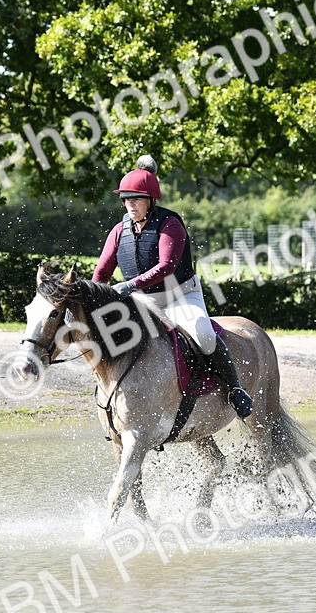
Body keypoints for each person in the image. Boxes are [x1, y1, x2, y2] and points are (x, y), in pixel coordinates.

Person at [92, 155, 253, 419]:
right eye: (125, 199)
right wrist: (93, 295)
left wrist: (130, 284)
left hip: (180, 296)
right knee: (110, 337)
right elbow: (103, 271)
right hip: (143, 301)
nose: (129, 204)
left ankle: (235, 389)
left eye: (136, 199)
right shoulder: (119, 231)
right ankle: (112, 405)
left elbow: (166, 267)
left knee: (203, 333)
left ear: (151, 200)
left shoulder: (170, 224)